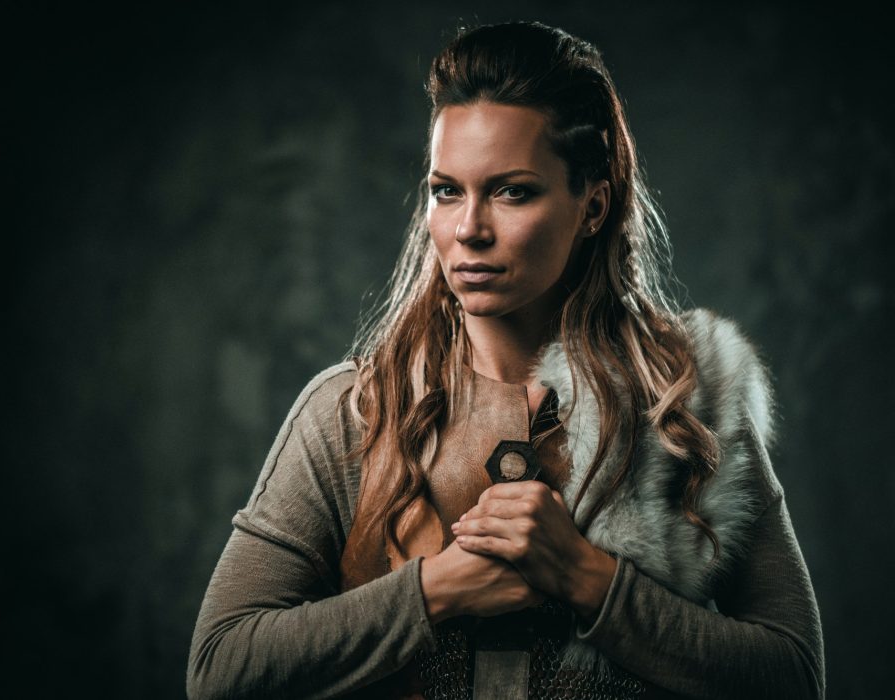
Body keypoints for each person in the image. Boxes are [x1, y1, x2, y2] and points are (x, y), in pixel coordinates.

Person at [187, 21, 824, 700]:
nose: (469, 229)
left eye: (512, 191)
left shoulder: (688, 409)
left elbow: (794, 676)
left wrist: (589, 580)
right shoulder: (353, 412)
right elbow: (221, 669)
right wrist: (435, 592)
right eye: (446, 190)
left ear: (592, 206)